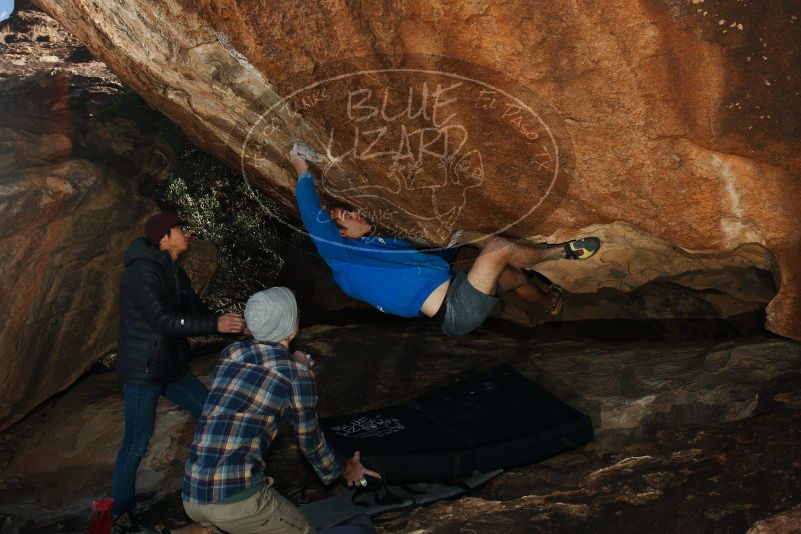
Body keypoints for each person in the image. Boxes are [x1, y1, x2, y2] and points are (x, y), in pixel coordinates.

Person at [289, 145, 601, 336]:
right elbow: (311, 214)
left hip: (456, 287)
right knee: (496, 249)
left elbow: (430, 259)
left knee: (513, 277)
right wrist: (301, 168)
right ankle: (561, 252)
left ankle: (550, 304)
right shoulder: (344, 259)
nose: (354, 214)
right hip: (453, 310)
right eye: (347, 216)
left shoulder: (381, 247)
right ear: (340, 236)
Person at [182, 287, 378, 534]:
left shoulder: (231, 354)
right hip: (235, 498)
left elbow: (261, 370)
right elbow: (311, 443)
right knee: (302, 529)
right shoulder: (295, 374)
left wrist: (294, 364)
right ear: (293, 327)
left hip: (192, 493)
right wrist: (347, 469)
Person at [112, 212, 245, 533]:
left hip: (171, 366)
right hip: (144, 371)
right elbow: (164, 321)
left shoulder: (173, 270)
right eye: (180, 228)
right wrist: (215, 324)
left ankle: (222, 487)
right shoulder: (141, 273)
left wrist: (238, 327)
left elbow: (193, 310)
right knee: (135, 443)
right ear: (163, 237)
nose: (187, 232)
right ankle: (120, 514)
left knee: (213, 415)